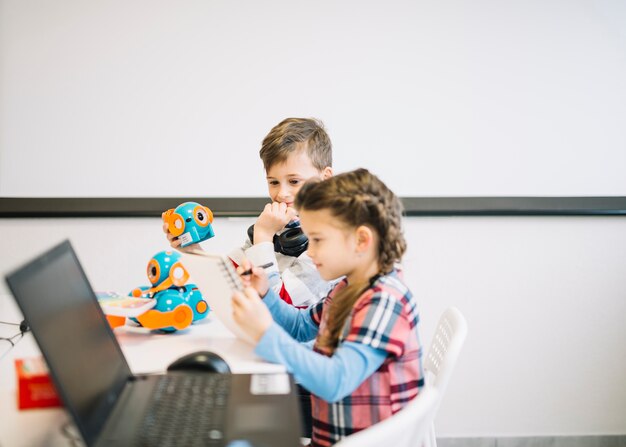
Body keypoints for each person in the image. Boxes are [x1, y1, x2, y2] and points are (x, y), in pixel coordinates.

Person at [232, 168, 424, 447]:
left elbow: (335, 380)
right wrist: (265, 293)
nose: (310, 251)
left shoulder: (385, 302)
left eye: (318, 240)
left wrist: (265, 335)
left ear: (361, 240)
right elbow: (301, 327)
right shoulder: (350, 287)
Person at [164, 117, 334, 308]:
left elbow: (278, 305)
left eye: (294, 181)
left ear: (325, 178)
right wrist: (190, 248)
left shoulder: (329, 242)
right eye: (273, 182)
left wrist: (263, 237)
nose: (281, 194)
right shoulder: (276, 226)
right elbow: (229, 281)